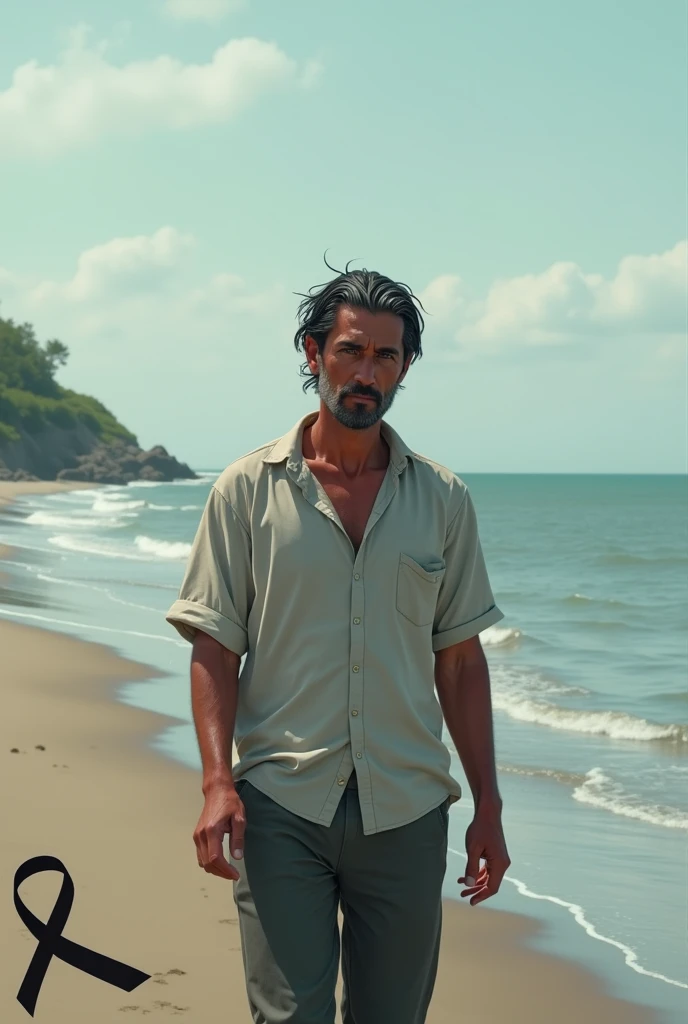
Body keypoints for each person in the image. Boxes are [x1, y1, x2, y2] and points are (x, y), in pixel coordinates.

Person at [165, 255, 511, 1024]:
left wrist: (488, 804)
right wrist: (216, 782)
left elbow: (459, 660)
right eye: (350, 350)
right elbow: (214, 647)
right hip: (282, 804)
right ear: (314, 354)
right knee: (292, 1016)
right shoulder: (246, 489)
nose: (367, 372)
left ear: (405, 368)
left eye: (386, 355)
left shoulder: (443, 500)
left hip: (409, 810)